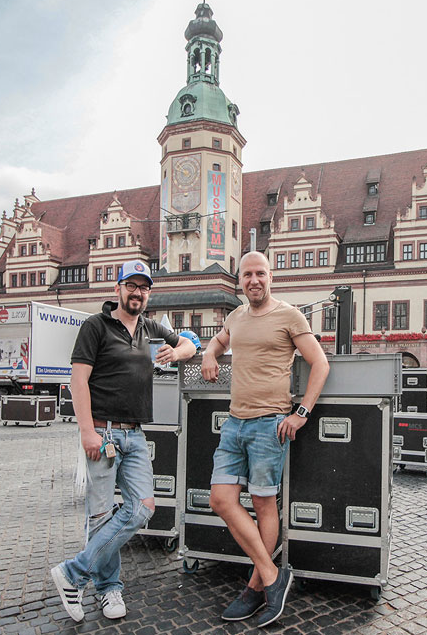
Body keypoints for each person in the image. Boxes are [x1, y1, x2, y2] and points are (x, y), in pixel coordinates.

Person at [50, 260, 196, 622]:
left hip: (134, 433)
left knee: (143, 507)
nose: (138, 293)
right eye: (131, 285)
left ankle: (73, 572)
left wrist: (176, 352)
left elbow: (192, 346)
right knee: (100, 516)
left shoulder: (150, 326)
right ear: (118, 289)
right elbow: (77, 382)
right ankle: (108, 588)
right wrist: (86, 430)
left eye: (144, 287)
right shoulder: (95, 326)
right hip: (102, 431)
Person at [201, 251, 329, 628]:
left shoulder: (289, 315)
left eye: (260, 274)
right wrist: (210, 353)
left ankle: (256, 588)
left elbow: (320, 363)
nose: (253, 280)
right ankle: (274, 576)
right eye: (247, 275)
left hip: (270, 424)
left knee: (263, 505)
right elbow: (220, 342)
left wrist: (301, 413)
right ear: (239, 281)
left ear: (270, 277)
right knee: (220, 499)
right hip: (235, 423)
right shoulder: (236, 317)